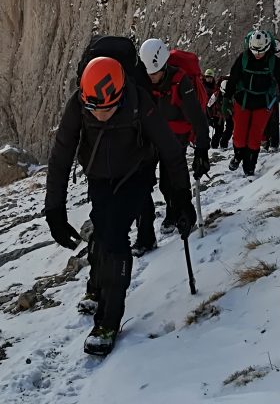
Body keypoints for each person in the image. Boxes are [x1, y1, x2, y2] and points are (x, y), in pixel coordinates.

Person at [45, 56, 196, 356]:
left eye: (107, 109)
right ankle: (96, 286)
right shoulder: (78, 104)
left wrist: (182, 198)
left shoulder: (139, 102)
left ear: (120, 94)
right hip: (99, 177)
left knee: (114, 238)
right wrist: (54, 211)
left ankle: (107, 322)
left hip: (135, 175)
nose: (100, 115)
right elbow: (60, 156)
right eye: (94, 110)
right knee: (102, 228)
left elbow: (170, 150)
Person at [133, 39, 210, 253]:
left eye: (155, 73)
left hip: (176, 137)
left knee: (170, 181)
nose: (152, 78)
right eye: (149, 73)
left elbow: (198, 118)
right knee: (144, 181)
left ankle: (177, 213)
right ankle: (147, 234)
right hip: (153, 134)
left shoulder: (181, 82)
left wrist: (202, 150)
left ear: (164, 65)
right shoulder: (146, 80)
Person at [225, 30, 280, 176]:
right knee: (239, 134)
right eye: (255, 51)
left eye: (261, 51)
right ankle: (238, 156)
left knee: (255, 137)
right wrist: (226, 98)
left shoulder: (273, 61)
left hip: (263, 104)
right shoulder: (243, 58)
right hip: (243, 101)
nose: (258, 54)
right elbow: (233, 78)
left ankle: (249, 166)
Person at [208, 77, 234, 150]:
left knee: (229, 129)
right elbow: (209, 106)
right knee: (219, 131)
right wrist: (211, 117)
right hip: (218, 115)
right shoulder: (216, 94)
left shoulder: (231, 94)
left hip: (228, 113)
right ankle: (214, 145)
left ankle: (223, 144)